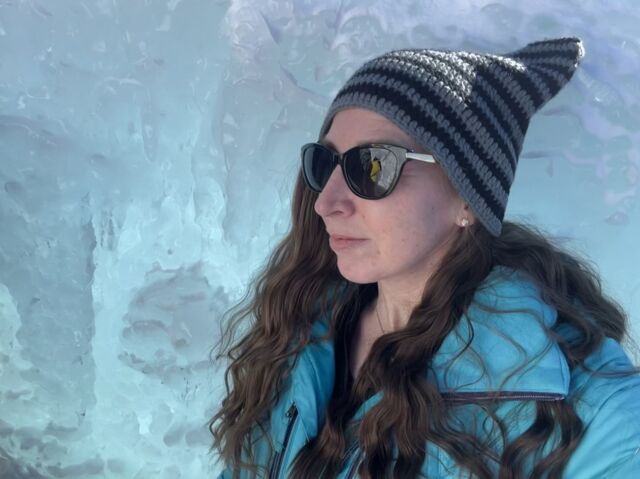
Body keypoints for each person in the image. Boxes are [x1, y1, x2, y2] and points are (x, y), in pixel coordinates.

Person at [209, 37, 640, 478]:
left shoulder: (600, 419)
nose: (326, 202)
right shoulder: (298, 331)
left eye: (373, 166)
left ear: (468, 198)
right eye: (325, 163)